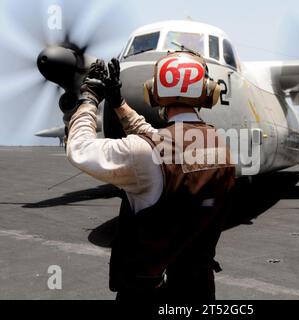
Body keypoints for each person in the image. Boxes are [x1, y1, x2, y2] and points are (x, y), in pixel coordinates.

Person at [66, 52, 235, 301]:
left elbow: (79, 149)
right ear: (208, 92)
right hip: (198, 288)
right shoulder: (221, 146)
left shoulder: (145, 152)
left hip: (148, 291)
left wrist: (89, 99)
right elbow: (160, 143)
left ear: (154, 92)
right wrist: (118, 103)